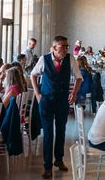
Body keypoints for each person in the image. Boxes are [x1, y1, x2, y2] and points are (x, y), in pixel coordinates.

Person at [31, 35, 82, 178]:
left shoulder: (70, 59)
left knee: (61, 131)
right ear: (54, 48)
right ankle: (47, 166)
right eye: (62, 47)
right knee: (48, 133)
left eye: (67, 46)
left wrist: (74, 93)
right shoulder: (44, 59)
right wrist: (37, 94)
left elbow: (79, 77)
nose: (65, 49)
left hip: (62, 100)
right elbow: (33, 75)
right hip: (46, 100)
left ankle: (58, 160)